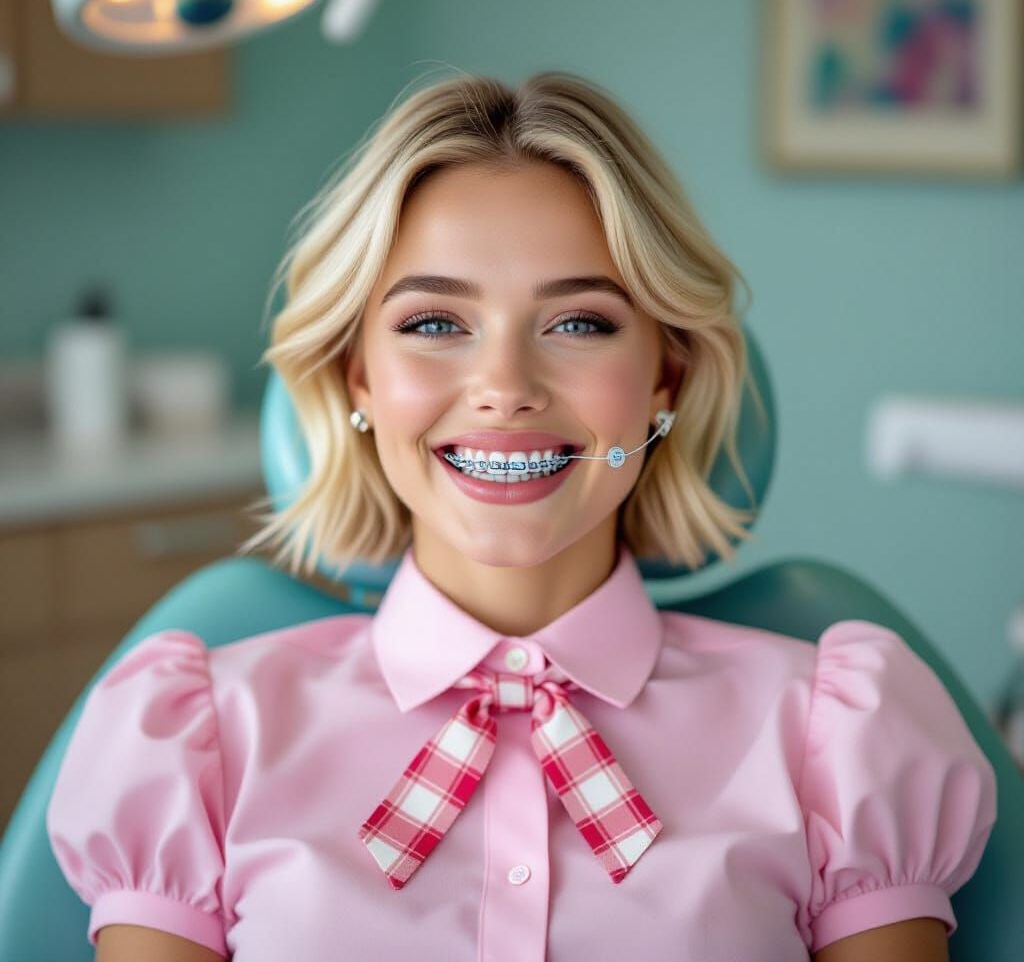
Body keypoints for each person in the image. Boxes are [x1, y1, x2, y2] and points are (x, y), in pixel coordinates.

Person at [46, 69, 996, 962]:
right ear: (359, 379)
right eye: (434, 324)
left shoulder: (842, 741)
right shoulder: (193, 744)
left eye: (579, 322)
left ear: (666, 379)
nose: (504, 388)